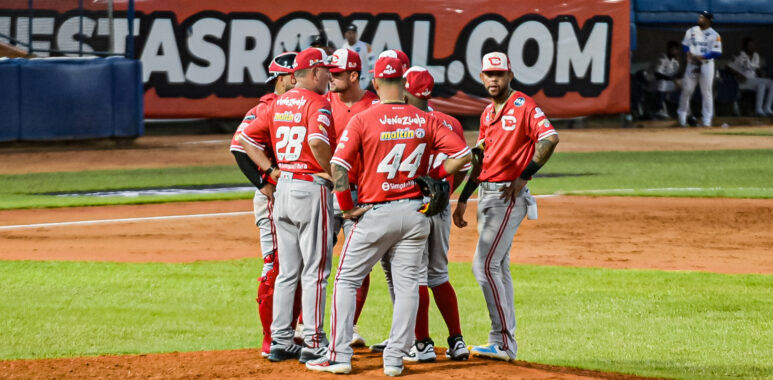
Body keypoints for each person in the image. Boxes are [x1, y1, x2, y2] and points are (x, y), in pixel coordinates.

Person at [305, 56, 472, 376]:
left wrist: (346, 206)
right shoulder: (427, 119)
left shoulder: (364, 119)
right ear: (404, 84)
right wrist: (437, 174)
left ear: (377, 83)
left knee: (346, 280)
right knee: (409, 284)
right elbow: (464, 156)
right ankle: (395, 358)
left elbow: (339, 166)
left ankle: (339, 355)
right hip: (415, 214)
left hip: (376, 211)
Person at [452, 52, 559, 362]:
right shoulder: (488, 113)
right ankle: (502, 341)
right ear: (482, 77)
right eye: (489, 74)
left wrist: (525, 176)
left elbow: (550, 138)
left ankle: (503, 342)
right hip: (486, 194)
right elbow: (480, 159)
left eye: (499, 73)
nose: (494, 79)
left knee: (483, 265)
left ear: (510, 75)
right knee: (498, 266)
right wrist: (463, 198)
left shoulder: (523, 105)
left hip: (505, 197)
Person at [239, 47, 338, 364]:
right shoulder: (317, 102)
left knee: (287, 272)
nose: (328, 76)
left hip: (282, 191)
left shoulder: (277, 103)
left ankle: (280, 340)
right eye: (325, 70)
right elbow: (316, 142)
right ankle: (313, 340)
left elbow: (245, 140)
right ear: (312, 72)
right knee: (316, 271)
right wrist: (333, 174)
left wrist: (268, 170)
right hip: (310, 188)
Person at [230, 51, 302, 358]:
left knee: (297, 267)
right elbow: (239, 146)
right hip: (273, 198)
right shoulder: (267, 107)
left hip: (297, 196)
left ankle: (290, 333)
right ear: (285, 78)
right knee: (276, 265)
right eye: (298, 73)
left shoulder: (300, 105)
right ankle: (271, 338)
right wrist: (264, 183)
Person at [398, 66, 470, 363]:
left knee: (413, 277)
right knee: (439, 274)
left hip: (412, 206)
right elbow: (465, 164)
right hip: (439, 208)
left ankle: (423, 344)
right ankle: (457, 341)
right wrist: (448, 191)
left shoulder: (402, 121)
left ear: (406, 90)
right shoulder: (450, 121)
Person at [326, 47, 380, 347]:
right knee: (315, 259)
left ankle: (350, 327)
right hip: (327, 191)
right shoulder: (322, 103)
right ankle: (305, 325)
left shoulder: (374, 105)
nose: (330, 78)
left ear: (354, 75)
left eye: (336, 74)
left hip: (362, 194)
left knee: (361, 263)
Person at [677, 11, 722, 127]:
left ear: (709, 20)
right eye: (700, 16)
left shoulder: (714, 34)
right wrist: (687, 53)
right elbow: (685, 44)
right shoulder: (691, 31)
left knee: (706, 92)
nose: (700, 18)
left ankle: (707, 120)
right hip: (692, 63)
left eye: (702, 17)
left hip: (706, 64)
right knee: (687, 89)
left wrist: (702, 57)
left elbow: (717, 52)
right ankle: (682, 116)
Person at [728, 37, 773, 116]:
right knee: (762, 83)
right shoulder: (739, 55)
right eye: (749, 46)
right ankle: (759, 109)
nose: (751, 47)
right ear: (744, 46)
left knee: (769, 83)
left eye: (752, 45)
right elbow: (728, 67)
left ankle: (766, 108)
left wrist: (761, 72)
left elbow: (756, 68)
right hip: (743, 82)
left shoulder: (756, 55)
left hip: (754, 80)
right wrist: (739, 74)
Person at [652, 41, 682, 119]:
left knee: (686, 83)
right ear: (668, 49)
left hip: (671, 83)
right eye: (673, 49)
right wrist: (673, 79)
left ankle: (684, 110)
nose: (674, 51)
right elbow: (657, 75)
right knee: (663, 83)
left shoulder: (676, 61)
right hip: (657, 83)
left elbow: (676, 75)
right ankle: (659, 109)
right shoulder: (662, 58)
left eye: (676, 49)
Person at [342, 24, 372, 89]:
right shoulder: (343, 48)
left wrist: (372, 78)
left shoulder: (365, 46)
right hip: (350, 82)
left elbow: (372, 62)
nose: (351, 35)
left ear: (356, 34)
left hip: (364, 81)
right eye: (349, 33)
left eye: (353, 33)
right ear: (345, 34)